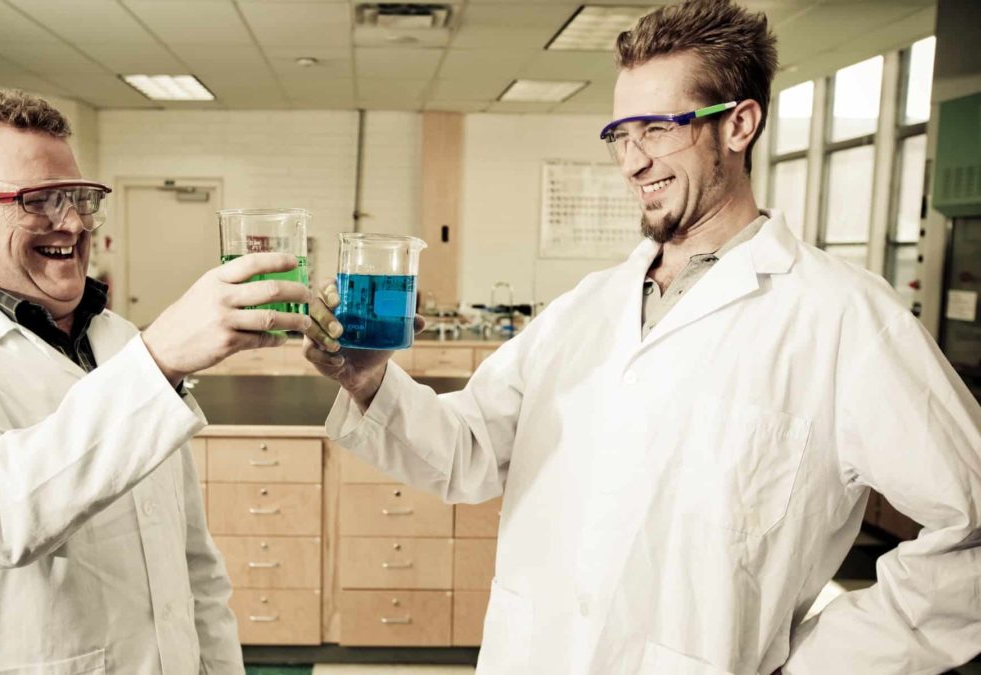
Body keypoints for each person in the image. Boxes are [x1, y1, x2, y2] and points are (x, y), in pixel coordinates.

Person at [302, 0, 981, 672]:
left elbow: (971, 531)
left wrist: (818, 663)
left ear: (740, 124)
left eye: (656, 129)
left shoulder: (842, 319)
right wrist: (369, 381)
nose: (631, 162)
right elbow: (467, 452)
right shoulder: (586, 309)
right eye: (620, 135)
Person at [0, 89, 313, 673]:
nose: (72, 222)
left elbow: (187, 558)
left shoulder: (119, 341)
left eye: (79, 198)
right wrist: (160, 359)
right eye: (37, 200)